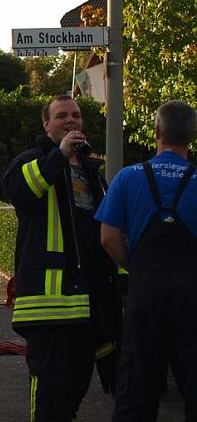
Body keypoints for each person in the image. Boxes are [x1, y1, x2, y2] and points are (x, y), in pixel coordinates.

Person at [2, 95, 121, 421]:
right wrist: (59, 155)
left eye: (76, 116)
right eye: (61, 116)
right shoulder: (33, 160)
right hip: (48, 308)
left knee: (73, 396)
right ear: (46, 124)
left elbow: (108, 233)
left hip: (87, 307)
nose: (71, 121)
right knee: (50, 401)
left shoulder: (93, 171)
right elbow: (17, 190)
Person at [96, 100, 197, 420]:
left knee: (137, 390)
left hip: (144, 295)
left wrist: (137, 269)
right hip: (191, 296)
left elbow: (108, 239)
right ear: (191, 136)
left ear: (156, 133)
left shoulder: (127, 178)